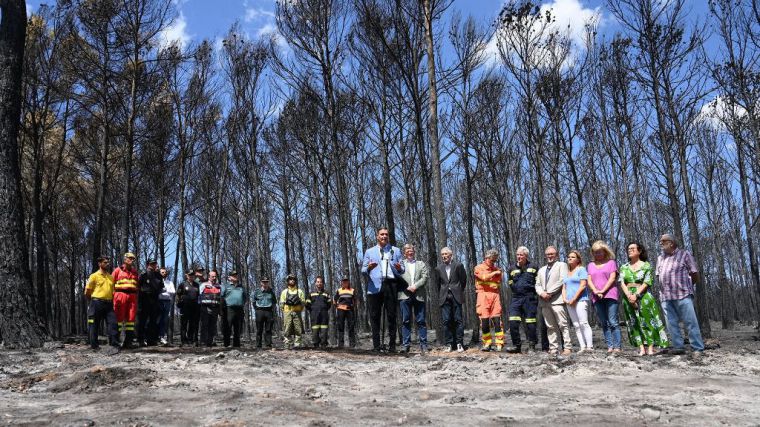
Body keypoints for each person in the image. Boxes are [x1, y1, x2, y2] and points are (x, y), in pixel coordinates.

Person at [656, 234, 704, 355]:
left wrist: (686, 286)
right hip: (666, 296)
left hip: (683, 294)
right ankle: (678, 347)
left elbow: (694, 273)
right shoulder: (660, 258)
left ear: (671, 243)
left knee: (690, 321)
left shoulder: (684, 254)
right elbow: (658, 275)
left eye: (663, 241)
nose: (660, 243)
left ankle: (697, 347)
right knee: (671, 323)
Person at [620, 241, 669, 356]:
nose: (630, 251)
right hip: (628, 296)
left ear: (639, 251)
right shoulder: (624, 267)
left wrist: (636, 295)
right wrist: (629, 296)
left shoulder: (646, 265)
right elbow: (622, 282)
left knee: (649, 321)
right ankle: (641, 348)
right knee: (634, 322)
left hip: (643, 296)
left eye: (632, 249)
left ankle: (651, 347)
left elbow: (647, 282)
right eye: (628, 249)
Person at [361, 227, 405, 353]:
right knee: (375, 316)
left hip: (391, 284)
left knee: (391, 315)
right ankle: (376, 346)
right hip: (375, 286)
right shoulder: (369, 252)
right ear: (377, 236)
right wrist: (369, 267)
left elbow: (402, 268)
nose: (384, 236)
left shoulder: (395, 250)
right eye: (382, 234)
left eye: (386, 234)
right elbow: (363, 270)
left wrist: (399, 268)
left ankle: (392, 346)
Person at [535, 246, 571, 355]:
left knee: (563, 324)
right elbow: (537, 284)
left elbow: (562, 280)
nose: (550, 256)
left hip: (557, 300)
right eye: (548, 254)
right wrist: (542, 293)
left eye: (552, 254)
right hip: (544, 301)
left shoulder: (562, 265)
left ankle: (567, 347)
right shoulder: (541, 269)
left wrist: (549, 293)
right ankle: (553, 347)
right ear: (545, 255)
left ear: (557, 255)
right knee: (550, 326)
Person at [587, 240, 621, 353]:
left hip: (610, 294)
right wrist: (596, 291)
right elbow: (589, 280)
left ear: (605, 252)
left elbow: (612, 278)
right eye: (595, 252)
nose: (598, 254)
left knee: (613, 321)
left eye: (600, 252)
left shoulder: (611, 263)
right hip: (596, 296)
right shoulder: (590, 265)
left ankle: (617, 346)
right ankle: (610, 346)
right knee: (604, 322)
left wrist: (602, 290)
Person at [505, 247, 539, 353]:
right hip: (516, 298)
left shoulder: (533, 266)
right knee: (513, 321)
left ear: (526, 256)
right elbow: (510, 282)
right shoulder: (511, 268)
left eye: (521, 255)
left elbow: (538, 282)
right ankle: (516, 345)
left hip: (530, 297)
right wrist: (515, 289)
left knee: (530, 322)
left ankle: (532, 345)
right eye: (518, 255)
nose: (519, 257)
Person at [398, 244, 429, 353]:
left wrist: (415, 286)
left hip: (418, 295)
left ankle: (423, 345)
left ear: (414, 252)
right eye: (407, 251)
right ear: (404, 253)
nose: (409, 253)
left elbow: (425, 277)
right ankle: (406, 345)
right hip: (404, 295)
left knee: (421, 321)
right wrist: (407, 287)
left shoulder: (421, 264)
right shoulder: (401, 264)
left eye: (411, 251)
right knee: (405, 321)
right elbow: (398, 277)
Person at [435, 247, 467, 352]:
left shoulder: (458, 265)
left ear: (451, 255)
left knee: (458, 320)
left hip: (456, 296)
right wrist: (443, 293)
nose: (444, 256)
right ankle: (448, 344)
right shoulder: (438, 268)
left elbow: (463, 281)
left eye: (446, 254)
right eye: (442, 254)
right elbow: (438, 284)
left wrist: (457, 290)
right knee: (446, 321)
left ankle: (459, 343)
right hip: (444, 297)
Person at [85, 256, 119, 350]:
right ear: (99, 264)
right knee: (94, 325)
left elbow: (112, 291)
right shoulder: (94, 276)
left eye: (108, 262)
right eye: (105, 262)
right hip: (96, 302)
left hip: (108, 303)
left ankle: (114, 345)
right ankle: (94, 346)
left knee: (113, 323)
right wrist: (91, 301)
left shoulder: (111, 277)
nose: (107, 264)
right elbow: (87, 290)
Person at [562, 250, 593, 351]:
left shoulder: (581, 269)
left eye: (573, 257)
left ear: (578, 259)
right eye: (569, 257)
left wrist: (574, 299)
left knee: (583, 323)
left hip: (580, 300)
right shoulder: (567, 273)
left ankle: (589, 346)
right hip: (569, 302)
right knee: (576, 325)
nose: (570, 258)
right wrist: (565, 299)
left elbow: (583, 285)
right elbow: (564, 287)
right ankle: (582, 347)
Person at [474, 249, 505, 352]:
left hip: (495, 296)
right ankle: (487, 343)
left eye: (494, 261)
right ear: (486, 258)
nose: (493, 263)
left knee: (497, 320)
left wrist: (498, 274)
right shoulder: (478, 267)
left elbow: (498, 281)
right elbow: (483, 277)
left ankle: (499, 343)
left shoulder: (496, 269)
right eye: (491, 260)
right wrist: (494, 273)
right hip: (483, 296)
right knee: (484, 321)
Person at [112, 252, 139, 349]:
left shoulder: (135, 272)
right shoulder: (117, 270)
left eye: (133, 259)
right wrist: (113, 296)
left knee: (131, 320)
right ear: (125, 259)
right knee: (118, 318)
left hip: (132, 296)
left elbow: (137, 285)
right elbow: (111, 284)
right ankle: (115, 342)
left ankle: (128, 342)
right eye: (130, 258)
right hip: (120, 295)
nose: (132, 260)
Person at [137, 259, 164, 346]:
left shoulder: (158, 275)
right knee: (143, 320)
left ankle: (151, 340)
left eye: (155, 263)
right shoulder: (143, 275)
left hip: (155, 299)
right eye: (152, 264)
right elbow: (138, 287)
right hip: (145, 299)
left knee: (153, 320)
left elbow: (161, 286)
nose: (154, 265)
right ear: (147, 265)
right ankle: (141, 339)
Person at [222, 271, 248, 348]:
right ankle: (226, 344)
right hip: (229, 309)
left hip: (239, 309)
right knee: (228, 327)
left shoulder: (241, 287)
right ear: (229, 277)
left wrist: (241, 303)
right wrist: (222, 308)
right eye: (233, 276)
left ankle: (236, 344)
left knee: (238, 327)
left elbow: (245, 297)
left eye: (236, 275)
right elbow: (221, 297)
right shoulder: (225, 286)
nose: (235, 277)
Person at [280, 274, 306, 349]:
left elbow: (303, 302)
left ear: (295, 281)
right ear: (288, 281)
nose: (292, 281)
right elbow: (281, 303)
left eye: (293, 279)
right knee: (287, 329)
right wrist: (285, 310)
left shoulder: (300, 291)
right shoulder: (284, 292)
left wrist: (299, 304)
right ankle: (287, 344)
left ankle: (297, 344)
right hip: (287, 312)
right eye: (290, 279)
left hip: (297, 312)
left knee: (298, 329)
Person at [176, 269, 200, 346]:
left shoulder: (197, 285)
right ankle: (183, 341)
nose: (191, 277)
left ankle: (191, 340)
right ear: (187, 275)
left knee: (192, 324)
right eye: (189, 275)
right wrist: (178, 303)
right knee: (184, 324)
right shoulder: (182, 284)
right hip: (185, 307)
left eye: (192, 275)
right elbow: (178, 295)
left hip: (194, 307)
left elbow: (199, 296)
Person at [199, 270, 223, 347]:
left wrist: (220, 309)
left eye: (215, 276)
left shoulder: (218, 286)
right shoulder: (203, 285)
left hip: (215, 308)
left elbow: (220, 298)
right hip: (205, 308)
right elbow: (198, 296)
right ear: (209, 277)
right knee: (204, 325)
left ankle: (210, 342)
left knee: (212, 326)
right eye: (212, 276)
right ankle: (203, 342)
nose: (214, 278)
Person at [306, 276, 332, 348]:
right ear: (315, 283)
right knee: (315, 330)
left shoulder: (326, 293)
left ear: (323, 283)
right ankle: (316, 345)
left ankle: (324, 345)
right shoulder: (311, 294)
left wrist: (324, 309)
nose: (319, 283)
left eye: (321, 282)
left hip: (324, 315)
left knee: (324, 331)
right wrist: (313, 310)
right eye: (318, 282)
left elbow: (329, 304)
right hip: (314, 315)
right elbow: (307, 305)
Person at [334, 274, 357, 348]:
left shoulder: (352, 290)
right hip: (341, 310)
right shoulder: (339, 290)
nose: (345, 283)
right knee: (341, 326)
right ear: (341, 282)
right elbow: (334, 300)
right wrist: (336, 306)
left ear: (348, 282)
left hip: (350, 310)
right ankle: (340, 345)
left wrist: (354, 306)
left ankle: (352, 344)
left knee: (351, 326)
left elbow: (355, 300)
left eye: (346, 281)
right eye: (343, 281)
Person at [253, 277, 276, 349]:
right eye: (263, 282)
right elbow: (253, 301)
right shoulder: (257, 291)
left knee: (268, 329)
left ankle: (268, 345)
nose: (265, 283)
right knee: (259, 329)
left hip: (269, 311)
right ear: (261, 283)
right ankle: (258, 345)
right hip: (259, 311)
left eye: (266, 282)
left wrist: (271, 308)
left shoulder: (271, 291)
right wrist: (256, 309)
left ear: (268, 283)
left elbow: (274, 301)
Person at [158, 267, 175, 345]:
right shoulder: (157, 281)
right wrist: (164, 292)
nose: (164, 274)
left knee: (164, 320)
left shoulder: (169, 282)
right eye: (162, 272)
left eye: (165, 272)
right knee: (157, 319)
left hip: (167, 302)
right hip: (158, 301)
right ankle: (154, 337)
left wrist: (164, 291)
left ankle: (162, 337)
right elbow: (156, 291)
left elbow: (173, 291)